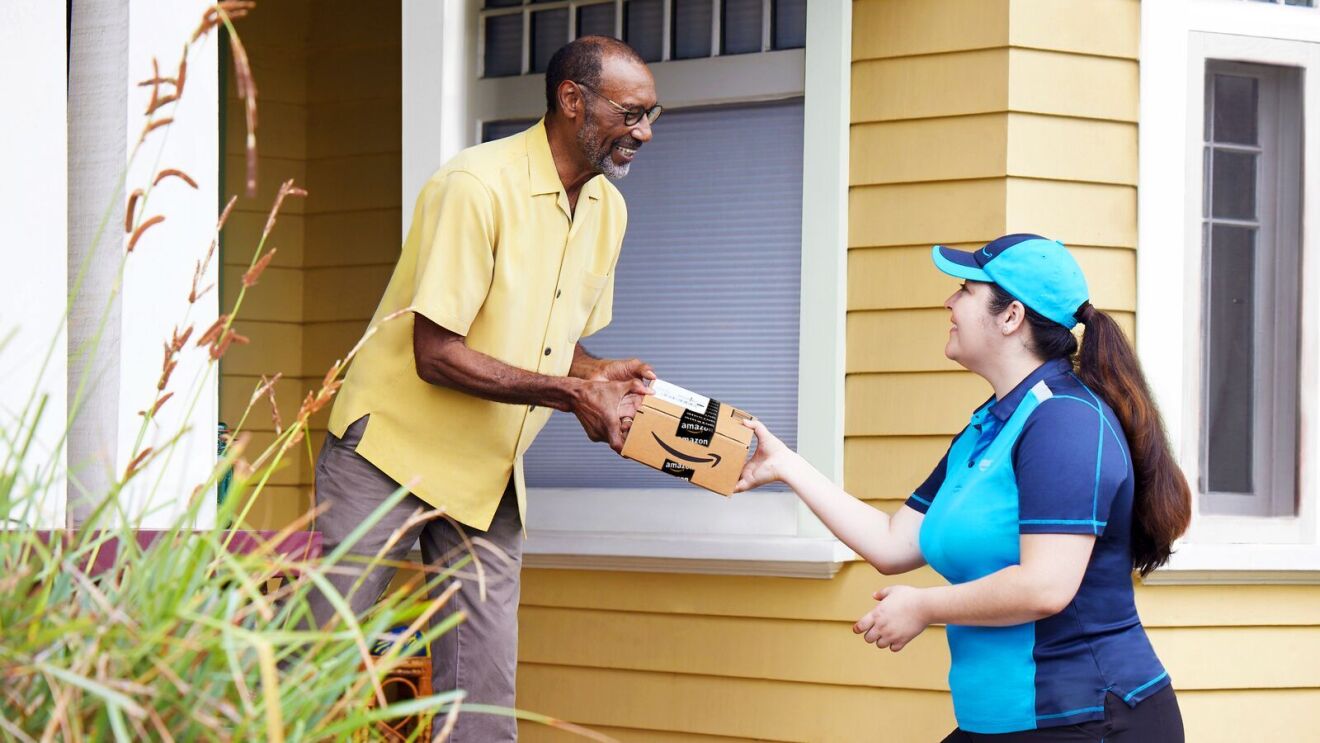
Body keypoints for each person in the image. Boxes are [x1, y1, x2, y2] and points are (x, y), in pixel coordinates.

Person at [307, 36, 663, 741]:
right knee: (321, 662)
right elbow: (435, 353)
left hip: (487, 470)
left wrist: (596, 373)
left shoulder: (607, 212)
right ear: (572, 101)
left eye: (655, 115)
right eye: (631, 114)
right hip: (388, 452)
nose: (644, 133)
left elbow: (554, 339)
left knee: (485, 696)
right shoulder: (474, 186)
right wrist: (569, 393)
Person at [736, 234, 1192, 741]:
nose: (950, 302)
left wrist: (923, 606)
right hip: (1002, 723)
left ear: (1011, 316)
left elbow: (1045, 586)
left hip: (1088, 718)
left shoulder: (1065, 421)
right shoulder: (990, 425)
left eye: (965, 290)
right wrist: (786, 466)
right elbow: (894, 542)